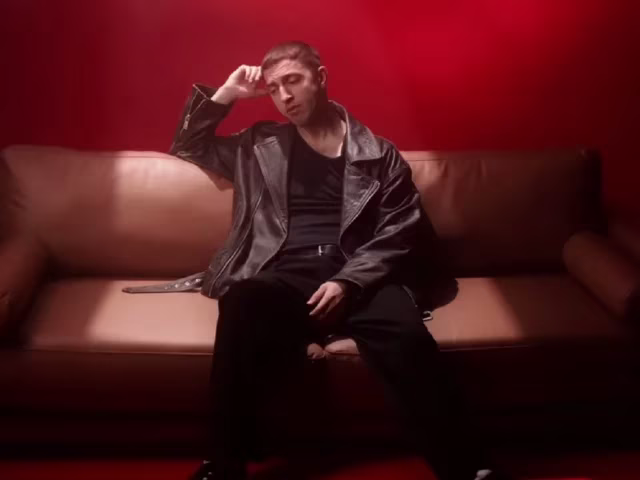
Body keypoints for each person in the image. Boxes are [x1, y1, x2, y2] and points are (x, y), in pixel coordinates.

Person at [129, 41, 508, 480]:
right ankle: (223, 464)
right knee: (241, 302)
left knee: (407, 336)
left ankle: (470, 469)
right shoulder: (260, 145)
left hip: (360, 274)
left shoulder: (379, 154)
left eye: (293, 81)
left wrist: (349, 281)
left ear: (321, 78)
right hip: (285, 272)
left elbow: (400, 229)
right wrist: (228, 93)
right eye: (274, 88)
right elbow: (188, 145)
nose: (285, 96)